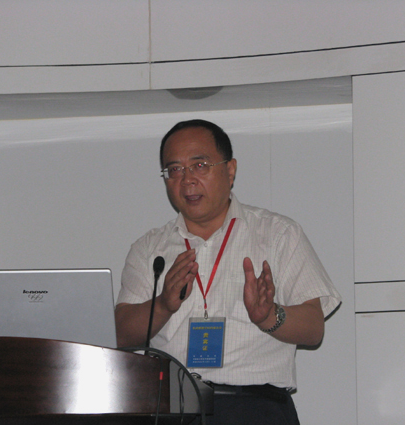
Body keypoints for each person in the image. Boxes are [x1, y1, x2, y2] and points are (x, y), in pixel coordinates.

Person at [115, 119, 341, 425]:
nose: (187, 180)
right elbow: (120, 334)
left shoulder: (278, 234)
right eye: (174, 170)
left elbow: (314, 328)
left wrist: (268, 316)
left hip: (255, 408)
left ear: (230, 170)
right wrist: (164, 304)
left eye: (200, 165)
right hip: (171, 409)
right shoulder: (149, 249)